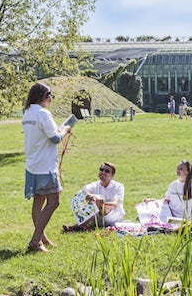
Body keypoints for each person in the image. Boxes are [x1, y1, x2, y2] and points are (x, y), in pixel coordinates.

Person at [22, 82, 71, 252]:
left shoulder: (27, 113)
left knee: (38, 201)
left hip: (32, 165)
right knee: (54, 201)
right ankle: (35, 242)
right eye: (50, 95)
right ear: (42, 96)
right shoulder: (44, 113)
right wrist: (66, 129)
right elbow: (55, 138)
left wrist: (58, 130)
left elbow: (44, 134)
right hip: (45, 166)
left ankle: (42, 238)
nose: (51, 98)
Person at [68, 162, 125, 229]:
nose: (103, 172)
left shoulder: (118, 186)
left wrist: (101, 204)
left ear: (112, 175)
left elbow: (115, 205)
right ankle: (81, 225)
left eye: (107, 171)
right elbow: (79, 194)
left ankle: (78, 226)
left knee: (102, 205)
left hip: (113, 217)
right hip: (96, 217)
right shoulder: (93, 185)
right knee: (85, 197)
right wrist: (92, 196)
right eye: (101, 169)